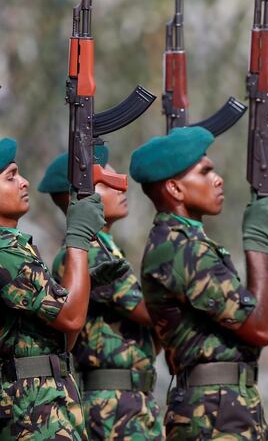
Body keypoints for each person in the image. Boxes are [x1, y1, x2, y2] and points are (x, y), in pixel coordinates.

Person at [132, 126, 268, 440]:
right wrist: (255, 243)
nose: (218, 179)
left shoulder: (185, 244)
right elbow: (258, 327)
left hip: (222, 406)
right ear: (174, 189)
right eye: (205, 172)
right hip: (212, 413)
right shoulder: (181, 249)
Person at [39, 146, 163, 440]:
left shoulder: (105, 247)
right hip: (113, 402)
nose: (119, 185)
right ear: (80, 197)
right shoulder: (89, 253)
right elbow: (151, 313)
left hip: (130, 397)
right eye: (104, 180)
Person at [0, 137, 105, 440]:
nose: (24, 182)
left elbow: (64, 338)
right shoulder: (5, 252)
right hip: (31, 412)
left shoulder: (17, 248)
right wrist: (77, 238)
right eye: (11, 176)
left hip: (47, 404)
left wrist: (83, 286)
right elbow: (70, 318)